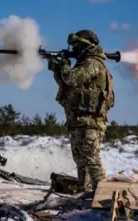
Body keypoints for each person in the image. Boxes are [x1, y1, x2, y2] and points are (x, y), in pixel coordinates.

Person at [48, 29, 115, 193]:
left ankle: (104, 195)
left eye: (76, 46)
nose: (74, 50)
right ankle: (86, 192)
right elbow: (67, 85)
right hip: (79, 121)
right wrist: (58, 70)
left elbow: (71, 78)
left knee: (91, 158)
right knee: (81, 159)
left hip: (90, 122)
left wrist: (64, 65)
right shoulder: (84, 64)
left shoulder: (92, 63)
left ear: (85, 46)